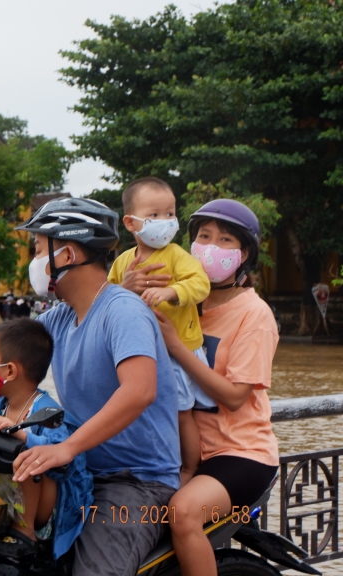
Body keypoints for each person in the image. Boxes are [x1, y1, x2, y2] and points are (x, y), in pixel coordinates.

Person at [0, 198, 180, 575]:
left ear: (67, 254)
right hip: (79, 469)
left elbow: (139, 391)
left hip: (133, 482)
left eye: (39, 249)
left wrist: (66, 448)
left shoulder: (122, 311)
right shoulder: (61, 317)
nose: (34, 261)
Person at [148, 199, 279, 576]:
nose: (211, 246)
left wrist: (176, 346)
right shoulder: (179, 299)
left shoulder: (254, 314)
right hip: (178, 448)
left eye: (225, 240)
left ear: (244, 256)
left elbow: (237, 396)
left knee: (183, 513)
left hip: (240, 453)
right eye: (204, 236)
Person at [109, 177, 212, 484]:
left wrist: (172, 292)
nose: (165, 222)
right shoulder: (124, 262)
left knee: (182, 414)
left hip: (179, 351)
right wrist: (125, 287)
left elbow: (200, 284)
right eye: (154, 215)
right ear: (131, 222)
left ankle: (189, 470)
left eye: (170, 213)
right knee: (145, 411)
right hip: (144, 352)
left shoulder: (177, 255)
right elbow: (105, 299)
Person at [0, 319, 92, 559]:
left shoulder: (48, 413)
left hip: (45, 514)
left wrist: (20, 433)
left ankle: (25, 532)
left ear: (9, 370)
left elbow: (61, 455)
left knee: (28, 453)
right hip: (8, 499)